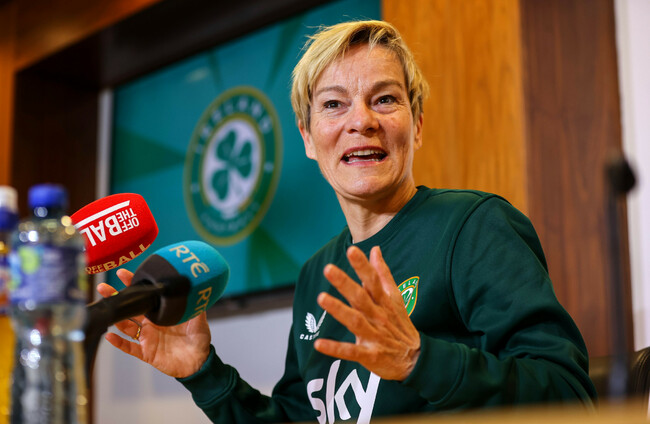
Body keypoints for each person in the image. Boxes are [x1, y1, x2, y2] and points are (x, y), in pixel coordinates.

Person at [97, 20, 597, 423]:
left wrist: (420, 360)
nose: (362, 121)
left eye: (385, 99)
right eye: (334, 104)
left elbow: (571, 398)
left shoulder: (474, 227)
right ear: (308, 138)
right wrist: (203, 372)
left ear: (417, 125)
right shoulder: (317, 274)